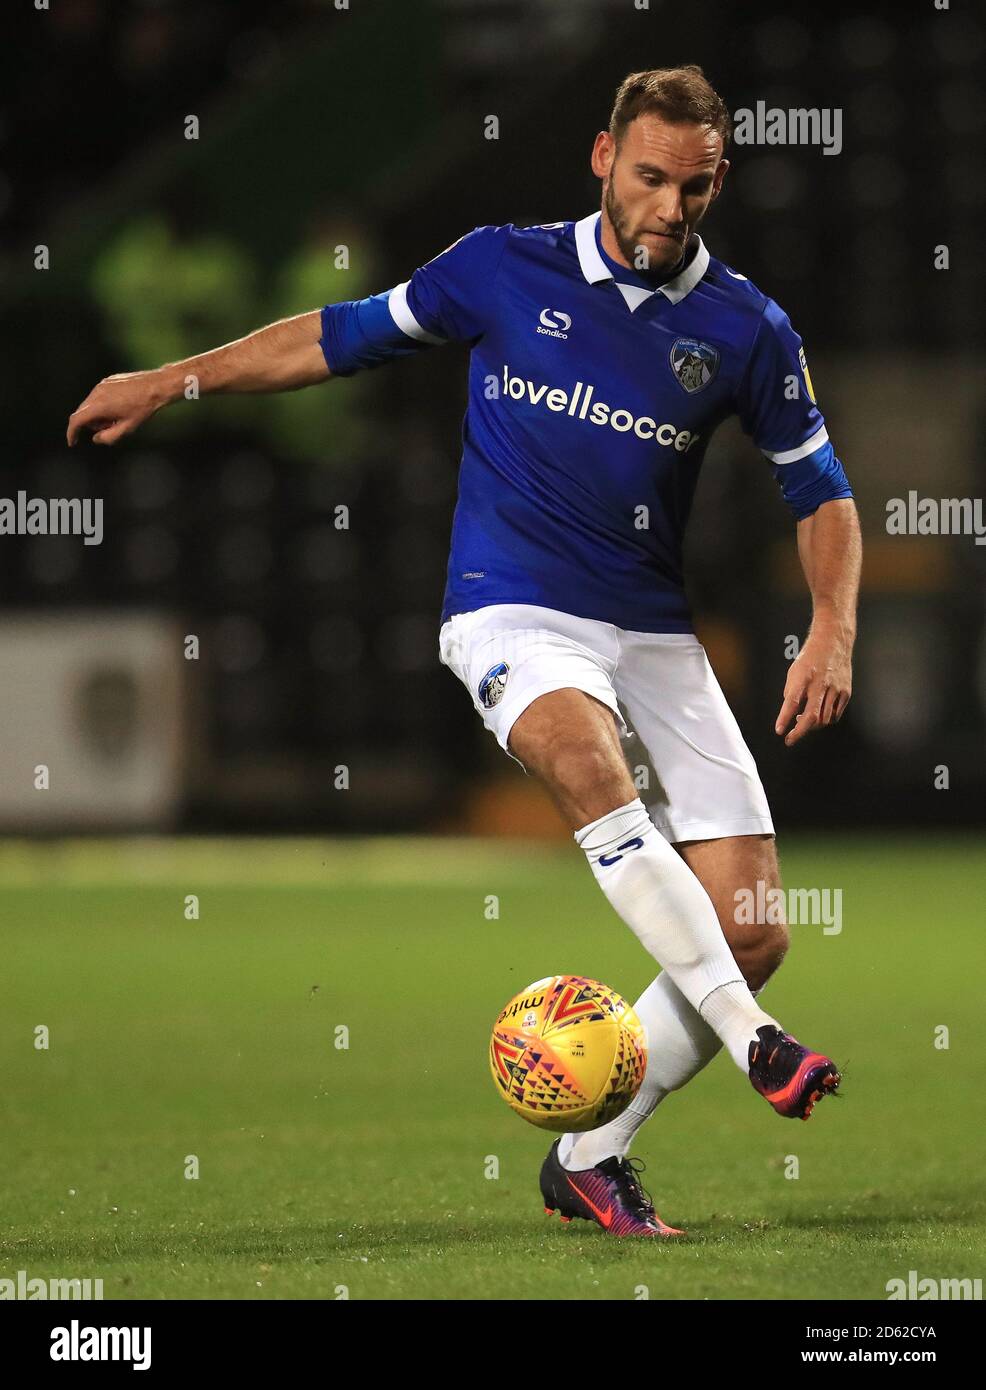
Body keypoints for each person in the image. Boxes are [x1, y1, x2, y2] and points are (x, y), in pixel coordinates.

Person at [67, 65, 861, 1239]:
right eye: (646, 178)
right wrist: (171, 377)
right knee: (588, 770)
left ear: (715, 182)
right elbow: (332, 338)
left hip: (647, 629)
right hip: (509, 610)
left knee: (750, 927)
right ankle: (757, 1044)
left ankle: (590, 1155)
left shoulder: (745, 326)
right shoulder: (499, 265)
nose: (666, 208)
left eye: (691, 188)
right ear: (601, 159)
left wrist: (832, 626)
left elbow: (821, 492)